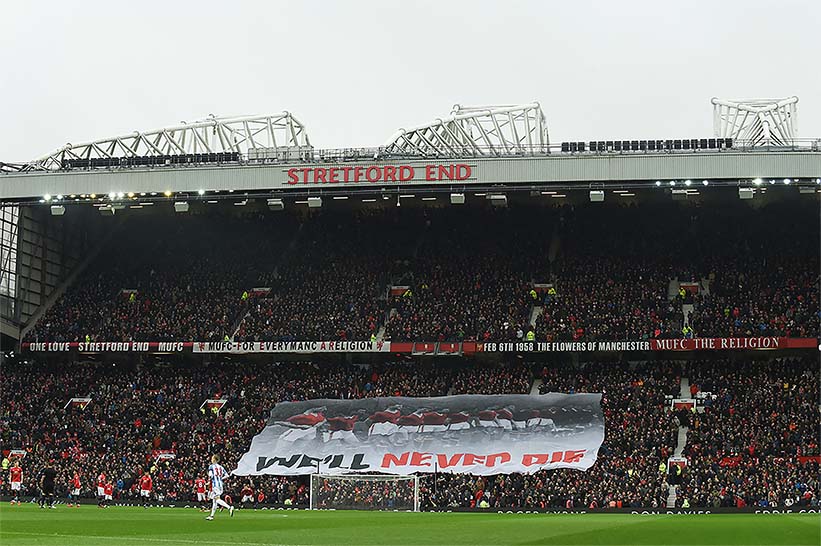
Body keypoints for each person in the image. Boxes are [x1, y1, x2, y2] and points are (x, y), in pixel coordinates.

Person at [206, 454, 234, 520]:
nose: (211, 459)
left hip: (215, 485)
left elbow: (210, 475)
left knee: (217, 499)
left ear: (214, 459)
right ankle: (211, 516)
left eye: (212, 458)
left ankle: (229, 507)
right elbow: (227, 475)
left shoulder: (211, 466)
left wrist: (209, 481)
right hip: (220, 485)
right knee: (214, 501)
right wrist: (220, 478)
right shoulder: (221, 467)